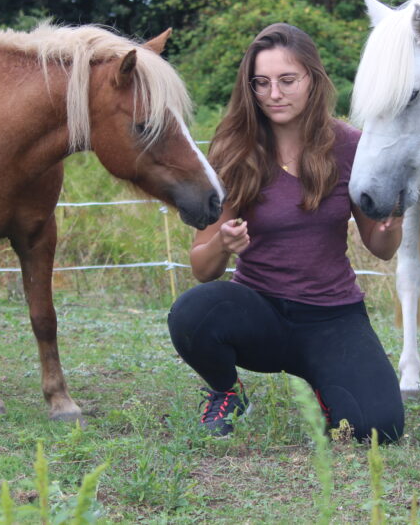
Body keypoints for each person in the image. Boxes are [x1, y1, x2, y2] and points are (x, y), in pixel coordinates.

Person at [167, 23, 405, 443]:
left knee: (379, 429)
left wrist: (392, 223)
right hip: (259, 313)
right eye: (261, 83)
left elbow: (381, 248)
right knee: (192, 312)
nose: (273, 94)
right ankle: (226, 392)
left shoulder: (352, 146)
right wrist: (223, 244)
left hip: (332, 316)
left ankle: (327, 379)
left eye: (287, 80)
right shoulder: (234, 148)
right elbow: (202, 267)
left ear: (312, 79)